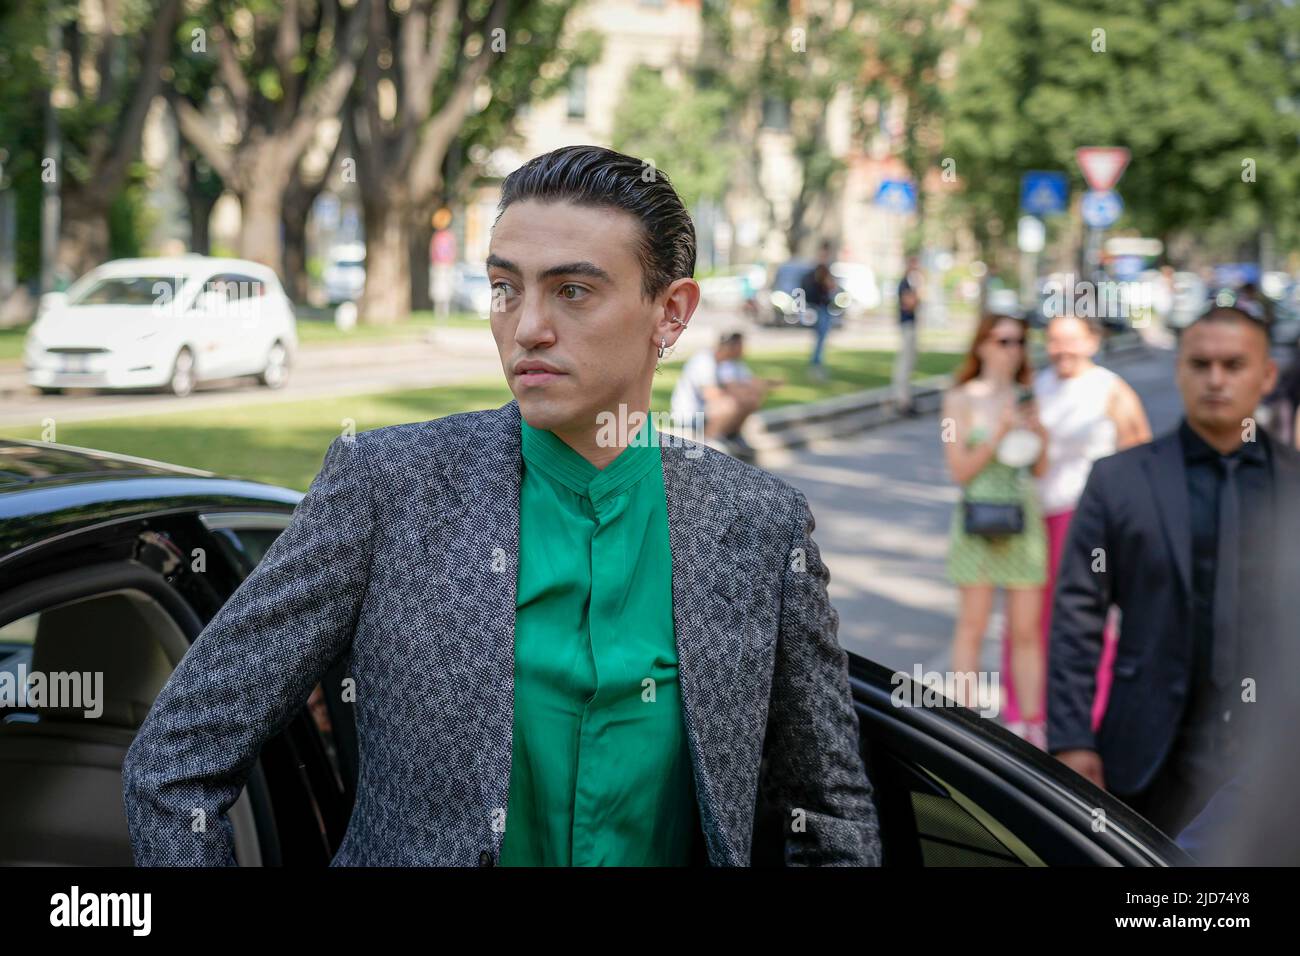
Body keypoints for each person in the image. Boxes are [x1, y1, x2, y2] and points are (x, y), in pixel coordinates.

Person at [122, 144, 881, 868]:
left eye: (572, 290)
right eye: (505, 287)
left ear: (671, 313)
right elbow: (177, 759)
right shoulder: (387, 487)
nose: (527, 327)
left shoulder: (758, 526)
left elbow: (829, 813)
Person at [1047, 301, 1300, 837]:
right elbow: (1076, 614)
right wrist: (1071, 739)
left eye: (1234, 365)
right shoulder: (1119, 480)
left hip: (1274, 760)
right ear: (1179, 368)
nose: (1216, 379)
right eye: (1200, 364)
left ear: (1267, 374)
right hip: (1144, 756)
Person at [998, 312, 1151, 736]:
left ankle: (1094, 713)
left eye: (1071, 341)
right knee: (1024, 618)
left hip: (1086, 519)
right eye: (1053, 341)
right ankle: (1024, 715)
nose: (1061, 349)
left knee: (1083, 615)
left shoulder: (1110, 389)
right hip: (1033, 513)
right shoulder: (1037, 386)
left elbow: (1140, 453)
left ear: (1092, 342)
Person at [942, 313, 1049, 746]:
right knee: (972, 625)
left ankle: (1030, 726)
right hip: (977, 520)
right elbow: (959, 471)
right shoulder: (961, 398)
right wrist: (998, 432)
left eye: (1019, 341)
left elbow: (1041, 468)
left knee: (1025, 630)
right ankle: (966, 724)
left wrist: (1040, 430)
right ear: (982, 344)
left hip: (1023, 519)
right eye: (1003, 340)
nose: (1012, 350)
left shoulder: (1028, 396)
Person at [670, 331, 781, 460]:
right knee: (728, 404)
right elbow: (710, 394)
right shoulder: (704, 360)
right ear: (729, 346)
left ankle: (732, 436)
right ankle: (708, 444)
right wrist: (740, 393)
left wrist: (764, 385)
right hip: (690, 414)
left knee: (751, 399)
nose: (744, 350)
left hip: (706, 411)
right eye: (740, 346)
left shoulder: (731, 363)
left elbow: (748, 383)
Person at [802, 240, 837, 379]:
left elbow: (831, 287)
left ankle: (817, 363)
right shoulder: (817, 271)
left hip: (824, 307)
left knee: (822, 338)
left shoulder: (826, 269)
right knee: (820, 337)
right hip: (818, 308)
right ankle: (815, 364)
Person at [893, 255, 922, 414]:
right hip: (907, 325)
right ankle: (902, 400)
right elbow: (910, 303)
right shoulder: (905, 283)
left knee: (910, 362)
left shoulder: (910, 282)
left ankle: (906, 398)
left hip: (911, 325)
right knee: (904, 363)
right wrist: (919, 292)